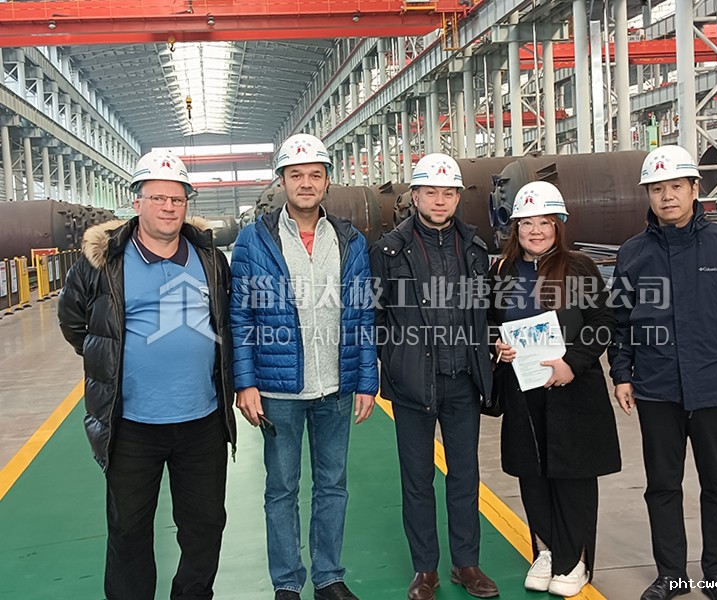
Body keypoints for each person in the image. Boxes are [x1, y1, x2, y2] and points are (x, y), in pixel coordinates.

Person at [58, 151, 236, 600]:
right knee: (129, 530)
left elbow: (225, 321)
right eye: (158, 197)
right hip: (131, 423)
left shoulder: (210, 259)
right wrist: (112, 359)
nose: (169, 207)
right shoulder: (103, 262)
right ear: (136, 201)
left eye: (178, 199)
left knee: (205, 524)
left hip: (202, 420)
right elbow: (74, 322)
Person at [609, 145, 717, 600]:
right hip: (657, 388)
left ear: (695, 189)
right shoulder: (633, 254)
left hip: (716, 384)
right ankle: (672, 576)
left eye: (676, 186)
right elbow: (620, 323)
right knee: (662, 486)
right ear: (647, 195)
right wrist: (622, 374)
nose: (667, 197)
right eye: (657, 189)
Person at [230, 133, 378, 600]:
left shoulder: (349, 240)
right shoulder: (254, 240)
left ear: (328, 181)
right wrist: (245, 383)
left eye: (315, 174)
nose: (306, 183)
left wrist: (367, 380)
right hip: (279, 390)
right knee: (282, 489)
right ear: (282, 181)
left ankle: (329, 577)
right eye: (296, 175)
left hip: (336, 387)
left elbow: (363, 314)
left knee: (332, 486)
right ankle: (287, 583)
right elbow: (240, 317)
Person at [370, 153, 498, 600]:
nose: (439, 200)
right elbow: (375, 314)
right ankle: (425, 569)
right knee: (417, 478)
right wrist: (395, 360)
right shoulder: (390, 250)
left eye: (448, 193)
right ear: (415, 196)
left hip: (463, 380)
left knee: (464, 475)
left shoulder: (475, 248)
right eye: (431, 192)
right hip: (412, 383)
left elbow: (486, 310)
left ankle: (467, 564)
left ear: (458, 197)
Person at [487, 181, 621, 597]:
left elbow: (603, 322)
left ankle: (574, 560)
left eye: (545, 222)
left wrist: (572, 364)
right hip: (523, 391)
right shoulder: (502, 271)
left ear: (558, 225)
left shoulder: (579, 267)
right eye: (527, 223)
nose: (536, 231)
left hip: (572, 390)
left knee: (572, 477)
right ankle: (545, 551)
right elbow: (489, 322)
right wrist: (497, 346)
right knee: (533, 474)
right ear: (515, 228)